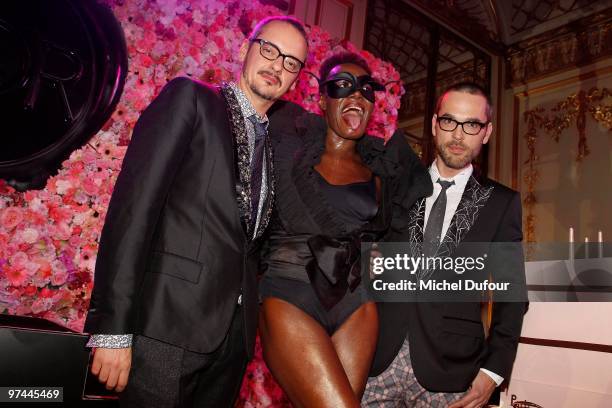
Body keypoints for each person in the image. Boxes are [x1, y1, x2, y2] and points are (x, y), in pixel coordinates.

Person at [83, 16, 308, 407]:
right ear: (245, 49)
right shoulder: (191, 99)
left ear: (296, 79)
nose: (277, 65)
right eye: (269, 50)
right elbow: (133, 210)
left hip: (231, 341)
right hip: (165, 326)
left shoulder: (274, 147)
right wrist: (112, 329)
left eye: (291, 62)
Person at [258, 52, 431, 407]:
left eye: (366, 89)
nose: (356, 95)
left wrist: (380, 255)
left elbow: (395, 235)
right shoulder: (289, 144)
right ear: (323, 99)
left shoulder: (381, 169)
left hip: (356, 303)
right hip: (291, 291)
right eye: (343, 86)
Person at [363, 82, 528, 408]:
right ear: (435, 125)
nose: (458, 135)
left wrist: (493, 371)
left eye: (472, 125)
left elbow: (512, 296)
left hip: (451, 374)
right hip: (375, 360)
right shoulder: (395, 187)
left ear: (487, 132)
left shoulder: (501, 203)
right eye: (450, 121)